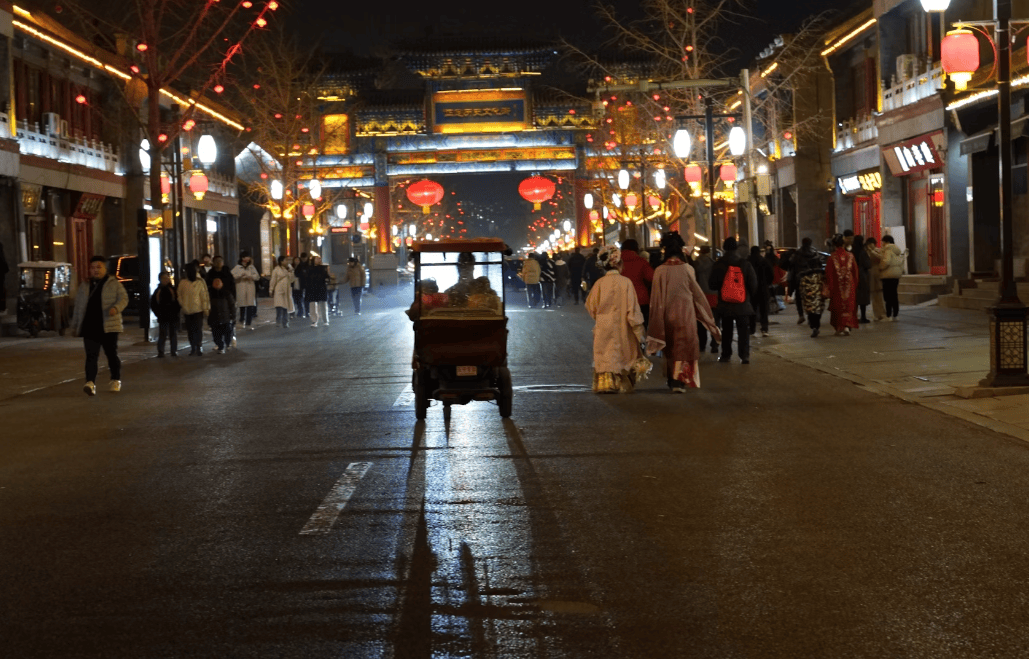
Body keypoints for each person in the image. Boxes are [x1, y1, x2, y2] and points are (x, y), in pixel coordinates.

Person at [646, 233, 721, 392]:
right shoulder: (687, 268)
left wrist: (655, 318)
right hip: (686, 314)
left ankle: (671, 379)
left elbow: (655, 297)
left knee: (671, 346)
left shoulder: (659, 270)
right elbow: (697, 293)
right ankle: (680, 379)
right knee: (684, 346)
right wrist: (706, 315)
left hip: (666, 313)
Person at [585, 245, 647, 394]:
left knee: (604, 354)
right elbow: (632, 310)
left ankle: (606, 384)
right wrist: (638, 330)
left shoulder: (599, 283)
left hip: (603, 325)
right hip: (623, 326)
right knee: (624, 355)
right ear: (618, 263)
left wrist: (600, 317)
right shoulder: (626, 282)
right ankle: (622, 384)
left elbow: (590, 305)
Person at [70, 256, 128, 395]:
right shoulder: (85, 285)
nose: (95, 270)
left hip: (109, 326)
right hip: (90, 326)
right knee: (91, 355)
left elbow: (124, 298)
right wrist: (75, 325)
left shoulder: (113, 283)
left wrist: (116, 308)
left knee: (111, 354)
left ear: (105, 268)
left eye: (99, 267)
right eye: (92, 267)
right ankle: (90, 383)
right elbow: (79, 307)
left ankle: (115, 380)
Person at [708, 237, 757, 364]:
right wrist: (748, 297)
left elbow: (712, 284)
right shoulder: (745, 264)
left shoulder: (719, 264)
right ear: (736, 248)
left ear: (724, 248)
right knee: (743, 331)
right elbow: (753, 284)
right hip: (742, 303)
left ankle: (726, 355)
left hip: (725, 304)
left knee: (727, 330)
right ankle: (744, 355)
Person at [824, 234, 859, 335]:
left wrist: (830, 287)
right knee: (849, 306)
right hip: (849, 286)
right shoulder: (850, 256)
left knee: (837, 306)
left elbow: (828, 274)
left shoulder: (832, 257)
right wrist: (855, 284)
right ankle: (847, 326)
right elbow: (855, 272)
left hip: (836, 286)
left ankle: (839, 327)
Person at [619, 239, 654, 329]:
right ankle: (641, 342)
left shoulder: (617, 262)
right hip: (640, 300)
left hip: (621, 300)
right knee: (641, 327)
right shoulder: (641, 261)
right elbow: (651, 278)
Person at [178, 262, 210, 356]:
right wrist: (183, 304)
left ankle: (198, 346)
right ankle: (193, 347)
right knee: (191, 330)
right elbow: (179, 295)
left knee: (198, 329)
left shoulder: (200, 282)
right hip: (187, 310)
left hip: (198, 309)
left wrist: (205, 308)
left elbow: (204, 296)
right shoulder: (183, 282)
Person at [692, 245, 719, 354]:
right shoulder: (713, 263)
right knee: (714, 321)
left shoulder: (694, 264)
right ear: (708, 252)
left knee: (701, 321)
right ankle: (715, 344)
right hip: (713, 295)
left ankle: (702, 345)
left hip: (700, 295)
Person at [205, 255, 237, 347]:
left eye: (221, 261)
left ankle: (229, 340)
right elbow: (207, 285)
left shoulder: (227, 272)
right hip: (214, 298)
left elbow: (232, 286)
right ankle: (219, 342)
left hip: (226, 298)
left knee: (227, 322)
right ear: (213, 263)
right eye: (217, 261)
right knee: (216, 324)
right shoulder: (211, 273)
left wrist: (233, 297)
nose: (219, 263)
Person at [150, 271, 180, 357]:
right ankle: (161, 351)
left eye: (167, 278)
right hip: (163, 316)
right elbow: (154, 304)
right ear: (160, 279)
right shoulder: (158, 291)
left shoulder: (172, 289)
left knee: (172, 334)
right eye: (164, 278)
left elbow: (177, 302)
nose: (166, 280)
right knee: (163, 334)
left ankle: (173, 351)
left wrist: (176, 312)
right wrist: (158, 314)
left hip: (172, 316)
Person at [789, 239, 818, 325]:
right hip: (811, 279)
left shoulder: (797, 253)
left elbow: (791, 265)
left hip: (799, 279)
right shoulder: (814, 253)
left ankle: (801, 315)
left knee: (799, 298)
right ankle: (810, 316)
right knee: (810, 298)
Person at [798, 252, 827, 337]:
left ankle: (813, 327)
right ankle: (816, 327)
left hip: (808, 298)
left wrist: (803, 296)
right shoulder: (821, 275)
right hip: (818, 298)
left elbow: (802, 288)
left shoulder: (804, 276)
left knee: (811, 313)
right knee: (818, 313)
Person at [748, 245, 773, 337]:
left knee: (752, 310)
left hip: (751, 290)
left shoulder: (748, 261)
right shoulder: (764, 261)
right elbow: (771, 274)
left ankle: (752, 329)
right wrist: (767, 283)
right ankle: (764, 329)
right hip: (763, 288)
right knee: (764, 310)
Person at [879, 234, 906, 321]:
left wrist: (880, 267)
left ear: (886, 242)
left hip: (887, 275)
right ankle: (895, 315)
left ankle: (888, 315)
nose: (882, 244)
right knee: (894, 295)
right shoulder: (897, 250)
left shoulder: (887, 250)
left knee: (887, 296)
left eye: (883, 242)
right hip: (896, 276)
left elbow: (886, 262)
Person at [232, 251, 260, 331]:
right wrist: (239, 276)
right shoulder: (237, 267)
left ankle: (248, 322)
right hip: (241, 287)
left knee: (250, 305)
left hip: (250, 288)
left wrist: (250, 276)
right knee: (242, 305)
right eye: (247, 257)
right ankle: (241, 319)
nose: (248, 258)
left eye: (249, 257)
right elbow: (232, 276)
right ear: (242, 258)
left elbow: (257, 276)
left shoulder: (251, 267)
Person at [207, 276, 236, 354]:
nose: (217, 284)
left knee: (227, 332)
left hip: (225, 317)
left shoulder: (226, 293)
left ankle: (227, 343)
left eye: (218, 282)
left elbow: (232, 305)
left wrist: (233, 316)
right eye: (215, 283)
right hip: (214, 317)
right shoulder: (210, 293)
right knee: (216, 334)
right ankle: (220, 346)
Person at [865, 237, 887, 321]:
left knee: (879, 296)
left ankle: (882, 313)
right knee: (874, 296)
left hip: (877, 273)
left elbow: (881, 258)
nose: (870, 246)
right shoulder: (867, 252)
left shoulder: (878, 250)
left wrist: (872, 251)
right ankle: (877, 314)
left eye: (871, 244)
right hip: (871, 274)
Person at [269, 255, 294, 327]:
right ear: (281, 261)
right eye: (285, 260)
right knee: (279, 306)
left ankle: (285, 322)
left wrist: (291, 272)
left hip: (287, 289)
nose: (287, 262)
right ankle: (278, 321)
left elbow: (292, 280)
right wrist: (271, 289)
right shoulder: (276, 270)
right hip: (279, 289)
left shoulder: (289, 268)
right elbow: (273, 280)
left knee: (285, 306)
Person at [852, 235, 872, 324]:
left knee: (854, 298)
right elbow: (868, 264)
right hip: (862, 276)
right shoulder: (863, 252)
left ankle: (853, 316)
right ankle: (863, 317)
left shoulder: (851, 251)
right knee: (863, 298)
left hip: (852, 276)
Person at [306, 254, 330, 327]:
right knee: (313, 305)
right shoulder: (310, 268)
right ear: (313, 260)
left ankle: (325, 320)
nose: (319, 260)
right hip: (312, 288)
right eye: (317, 258)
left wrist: (327, 277)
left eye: (320, 258)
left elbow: (327, 277)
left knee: (323, 305)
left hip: (322, 288)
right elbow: (307, 279)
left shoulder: (323, 268)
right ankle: (314, 321)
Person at [294, 252, 311, 318]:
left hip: (307, 284)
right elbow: (296, 274)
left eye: (305, 258)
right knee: (299, 298)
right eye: (303, 258)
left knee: (307, 299)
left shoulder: (308, 265)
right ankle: (302, 311)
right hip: (301, 284)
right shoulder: (300, 265)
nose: (304, 259)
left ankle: (307, 311)